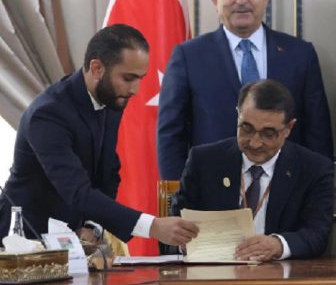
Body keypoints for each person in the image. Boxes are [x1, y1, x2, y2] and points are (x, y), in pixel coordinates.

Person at [0, 24, 199, 246]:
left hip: (72, 239)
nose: (135, 90)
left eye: (140, 79)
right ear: (96, 68)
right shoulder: (47, 114)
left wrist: (92, 225)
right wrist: (153, 226)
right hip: (23, 239)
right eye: (128, 78)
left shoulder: (111, 100)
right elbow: (77, 190)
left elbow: (108, 173)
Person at [158, 0, 333, 181]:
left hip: (287, 188)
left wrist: (319, 191)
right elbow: (171, 137)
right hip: (210, 189)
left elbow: (318, 133)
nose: (241, 0)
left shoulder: (300, 54)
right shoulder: (189, 56)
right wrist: (176, 195)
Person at [171, 79, 333, 262]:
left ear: (289, 128)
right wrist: (182, 241)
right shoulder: (204, 161)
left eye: (268, 134)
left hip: (281, 273)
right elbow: (175, 224)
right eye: (246, 129)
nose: (255, 143)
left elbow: (317, 234)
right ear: (237, 115)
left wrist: (279, 245)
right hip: (213, 272)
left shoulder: (313, 169)